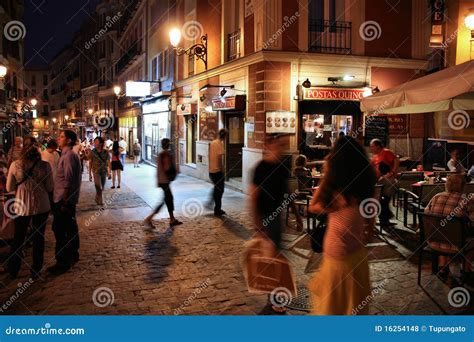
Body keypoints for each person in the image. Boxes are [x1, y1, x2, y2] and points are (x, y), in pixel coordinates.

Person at [308, 136, 377, 315]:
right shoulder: (365, 181)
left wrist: (326, 174)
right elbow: (372, 209)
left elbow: (313, 206)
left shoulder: (335, 191)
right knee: (353, 307)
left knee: (333, 309)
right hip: (357, 256)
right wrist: (369, 229)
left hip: (337, 257)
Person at [2, 137, 53, 279]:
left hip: (21, 206)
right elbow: (50, 187)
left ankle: (14, 269)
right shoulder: (45, 165)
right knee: (38, 238)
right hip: (41, 205)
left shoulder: (15, 165)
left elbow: (9, 187)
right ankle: (36, 269)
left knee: (18, 238)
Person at [249, 134, 290, 313]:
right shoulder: (260, 168)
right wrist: (257, 224)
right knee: (271, 259)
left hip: (277, 218)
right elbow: (254, 196)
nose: (281, 148)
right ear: (268, 145)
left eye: (283, 145)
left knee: (276, 257)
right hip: (265, 218)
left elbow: (287, 192)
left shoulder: (283, 166)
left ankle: (273, 295)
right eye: (278, 144)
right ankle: (274, 298)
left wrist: (294, 213)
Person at [424, 174, 474, 280]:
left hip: (433, 242)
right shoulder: (465, 200)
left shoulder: (436, 197)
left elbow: (426, 214)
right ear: (462, 186)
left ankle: (443, 267)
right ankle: (466, 269)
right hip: (456, 245)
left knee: (443, 228)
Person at [47, 130, 82, 276]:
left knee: (60, 229)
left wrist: (64, 201)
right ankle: (73, 253)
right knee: (70, 226)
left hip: (63, 198)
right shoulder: (67, 154)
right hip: (63, 198)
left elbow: (68, 180)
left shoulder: (68, 156)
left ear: (68, 140)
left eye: (61, 137)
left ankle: (62, 262)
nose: (58, 139)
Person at [144, 138, 182, 228]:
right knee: (166, 200)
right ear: (168, 145)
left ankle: (172, 219)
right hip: (164, 181)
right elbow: (167, 168)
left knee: (168, 199)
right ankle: (149, 219)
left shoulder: (161, 154)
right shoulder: (165, 155)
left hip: (162, 181)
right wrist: (175, 171)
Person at [209, 129, 227, 216]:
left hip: (211, 171)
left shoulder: (213, 143)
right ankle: (217, 209)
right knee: (220, 190)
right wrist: (222, 170)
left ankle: (216, 207)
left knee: (217, 189)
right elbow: (220, 158)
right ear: (225, 136)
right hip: (217, 171)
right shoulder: (219, 144)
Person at [88, 137, 111, 205]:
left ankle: (96, 197)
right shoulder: (92, 152)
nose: (95, 143)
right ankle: (101, 200)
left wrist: (110, 172)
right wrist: (89, 174)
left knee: (102, 187)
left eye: (96, 141)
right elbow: (90, 162)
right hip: (95, 171)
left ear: (101, 143)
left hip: (103, 171)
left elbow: (108, 162)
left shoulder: (105, 152)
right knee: (98, 186)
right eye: (94, 141)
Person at [377, 162, 397, 228]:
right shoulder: (391, 177)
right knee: (385, 206)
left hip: (383, 195)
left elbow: (377, 187)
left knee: (382, 206)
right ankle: (386, 220)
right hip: (389, 195)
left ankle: (383, 221)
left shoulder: (382, 179)